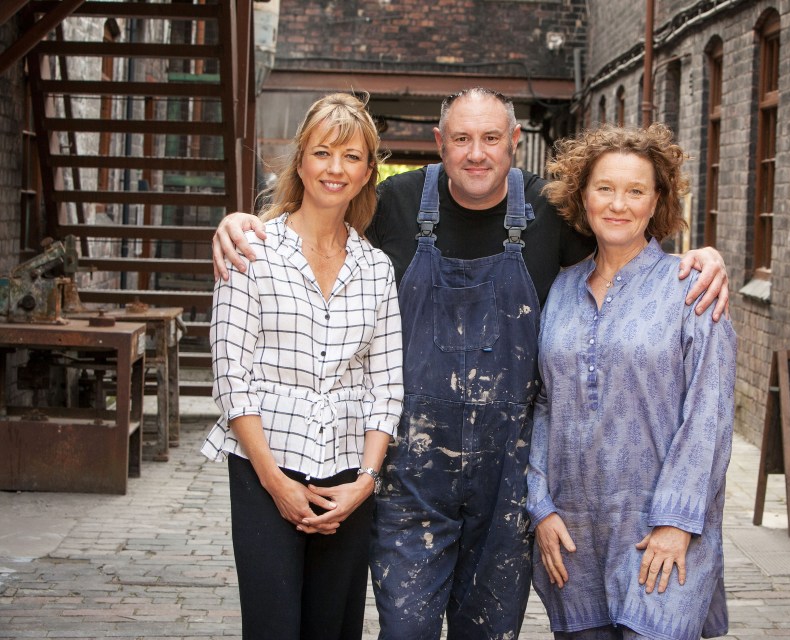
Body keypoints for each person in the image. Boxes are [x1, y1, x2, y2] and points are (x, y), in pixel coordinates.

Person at [210, 88, 730, 640]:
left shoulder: (551, 212)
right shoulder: (395, 203)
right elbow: (322, 212)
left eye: (489, 138)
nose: (475, 152)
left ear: (514, 142)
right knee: (405, 629)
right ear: (440, 144)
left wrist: (701, 254)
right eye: (460, 139)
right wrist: (244, 222)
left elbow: (624, 235)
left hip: (505, 482)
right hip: (412, 476)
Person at [201, 93, 403, 640]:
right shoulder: (252, 251)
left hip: (345, 477)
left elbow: (387, 387)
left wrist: (364, 482)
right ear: (301, 162)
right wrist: (276, 481)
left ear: (368, 172)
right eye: (322, 153)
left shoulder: (376, 269)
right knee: (272, 627)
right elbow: (231, 378)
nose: (335, 169)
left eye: (352, 157)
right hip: (264, 469)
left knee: (333, 629)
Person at [527, 123, 736, 640]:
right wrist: (540, 506)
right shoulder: (560, 290)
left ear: (656, 201)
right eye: (605, 188)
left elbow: (708, 414)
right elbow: (544, 405)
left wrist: (677, 524)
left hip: (662, 537)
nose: (618, 204)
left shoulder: (693, 288)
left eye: (636, 190)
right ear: (583, 196)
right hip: (574, 535)